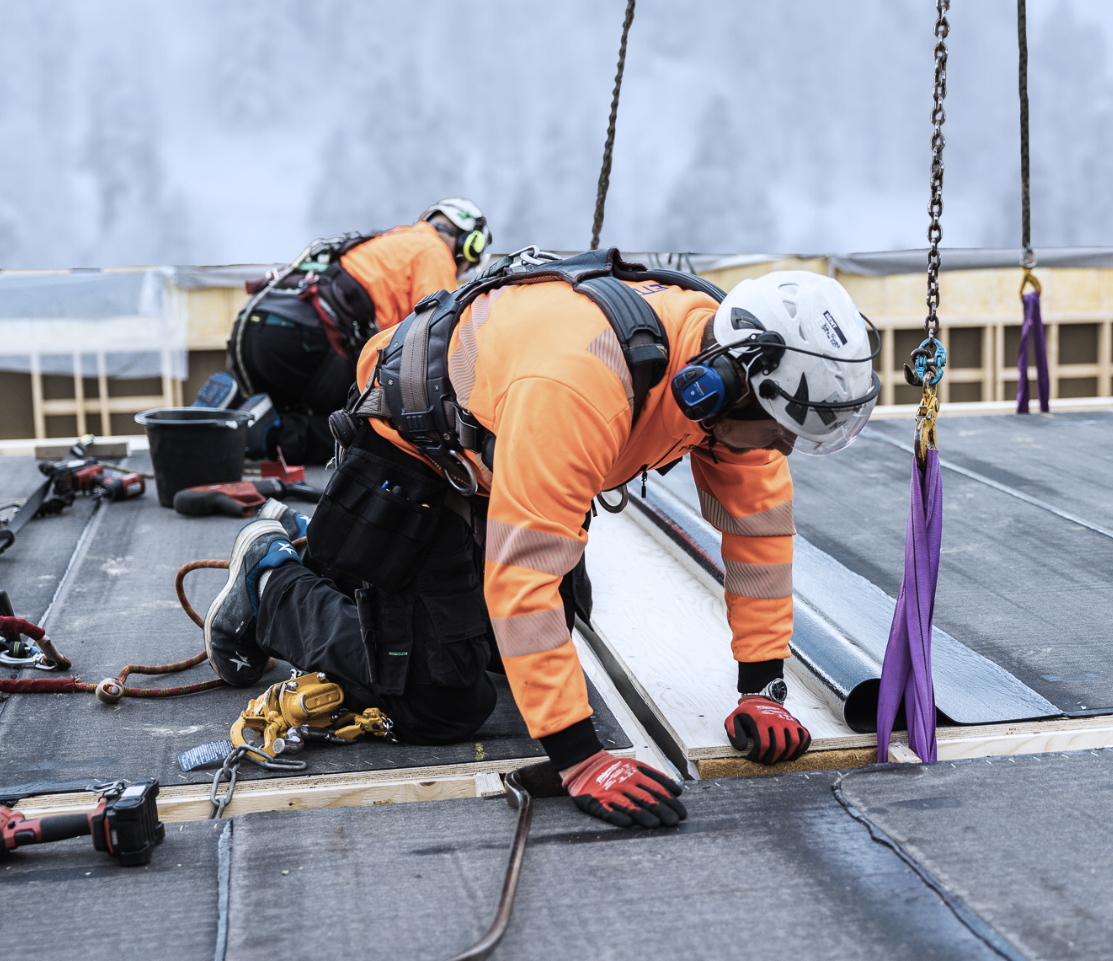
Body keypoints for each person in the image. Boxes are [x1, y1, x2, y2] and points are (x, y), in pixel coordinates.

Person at [201, 256, 879, 829]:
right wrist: (580, 759)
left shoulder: (735, 388)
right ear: (722, 383)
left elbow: (758, 541)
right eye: (778, 433)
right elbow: (521, 576)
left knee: (546, 636)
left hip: (504, 454)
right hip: (414, 457)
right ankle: (271, 584)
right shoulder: (583, 383)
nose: (781, 449)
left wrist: (763, 688)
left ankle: (355, 593)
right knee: (443, 703)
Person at [223, 198, 491, 465]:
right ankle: (271, 435)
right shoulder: (434, 251)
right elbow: (441, 334)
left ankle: (235, 412)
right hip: (304, 340)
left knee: (313, 405)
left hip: (256, 332)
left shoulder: (394, 239)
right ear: (471, 244)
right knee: (363, 423)